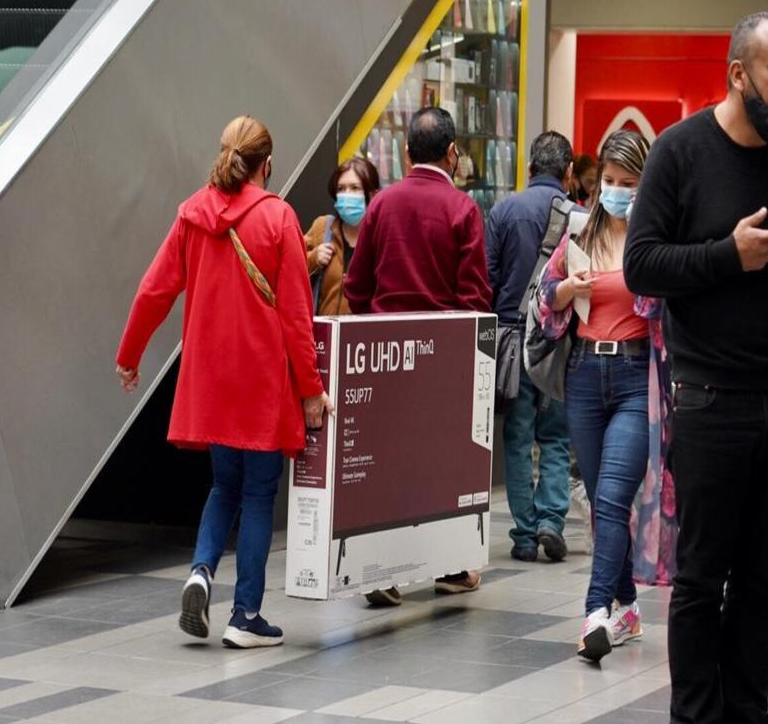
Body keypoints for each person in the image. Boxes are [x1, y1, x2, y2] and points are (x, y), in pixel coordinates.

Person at [624, 12, 768, 724]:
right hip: (710, 403)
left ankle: (749, 711)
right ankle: (694, 713)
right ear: (737, 74)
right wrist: (730, 254)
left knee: (759, 583)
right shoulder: (680, 154)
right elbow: (642, 265)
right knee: (698, 579)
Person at [115, 115, 331, 649]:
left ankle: (200, 572)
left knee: (223, 485)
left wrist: (130, 354)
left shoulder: (192, 213)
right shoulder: (278, 218)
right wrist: (310, 389)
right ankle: (246, 616)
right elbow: (295, 319)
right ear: (267, 163)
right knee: (258, 494)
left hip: (209, 380)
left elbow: (154, 290)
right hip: (260, 382)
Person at [343, 106, 491, 604]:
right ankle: (451, 568)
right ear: (452, 154)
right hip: (443, 359)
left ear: (406, 152)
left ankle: (380, 573)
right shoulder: (463, 210)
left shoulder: (381, 205)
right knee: (443, 468)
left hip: (386, 354)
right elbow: (474, 299)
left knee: (387, 465)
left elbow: (356, 284)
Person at [538, 129, 653, 663]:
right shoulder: (580, 232)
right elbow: (544, 296)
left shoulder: (654, 238)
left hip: (634, 375)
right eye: (608, 180)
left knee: (611, 498)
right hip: (584, 374)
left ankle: (594, 615)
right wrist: (567, 291)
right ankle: (626, 604)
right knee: (602, 499)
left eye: (627, 183)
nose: (615, 190)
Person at [486, 131, 574, 563]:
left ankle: (522, 534)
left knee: (518, 437)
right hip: (559, 341)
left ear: (529, 168)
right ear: (570, 174)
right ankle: (551, 522)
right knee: (556, 435)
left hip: (511, 338)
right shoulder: (580, 217)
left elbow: (487, 277)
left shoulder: (504, 209)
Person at [304, 157, 381, 316]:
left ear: (372, 195)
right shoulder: (323, 227)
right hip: (325, 335)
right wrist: (313, 258)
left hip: (364, 337)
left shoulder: (380, 237)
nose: (347, 195)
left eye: (355, 188)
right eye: (341, 188)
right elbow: (291, 268)